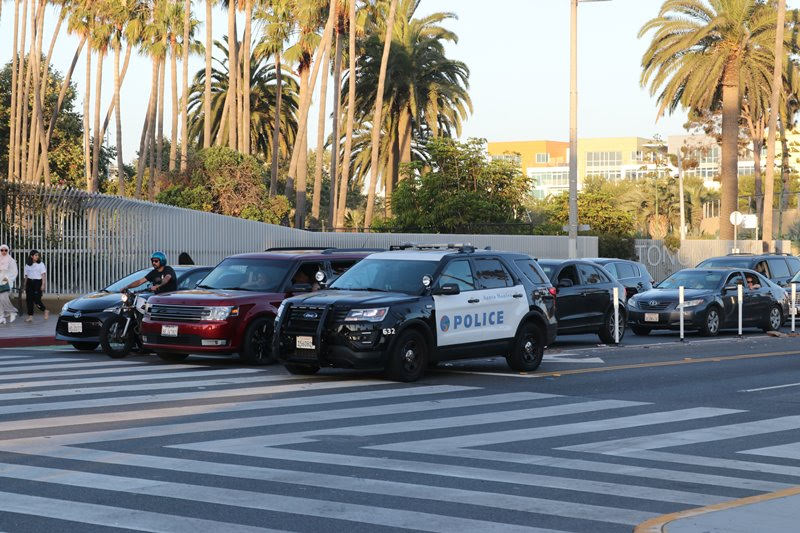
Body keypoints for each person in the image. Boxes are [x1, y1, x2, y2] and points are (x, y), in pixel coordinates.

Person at [24, 249, 47, 322]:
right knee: (29, 300)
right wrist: (25, 285)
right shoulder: (27, 265)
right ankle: (30, 316)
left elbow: (43, 275)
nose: (37, 257)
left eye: (38, 255)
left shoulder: (41, 264)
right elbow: (26, 276)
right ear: (31, 256)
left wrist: (43, 284)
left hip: (37, 283)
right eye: (35, 255)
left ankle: (45, 310)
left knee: (37, 300)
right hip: (29, 283)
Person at [0, 245, 19, 324]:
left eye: (5, 250)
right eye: (2, 250)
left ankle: (7, 312)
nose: (4, 252)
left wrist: (4, 281)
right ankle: (5, 312)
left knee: (2, 296)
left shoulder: (11, 261)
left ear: (8, 251)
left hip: (7, 283)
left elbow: (14, 273)